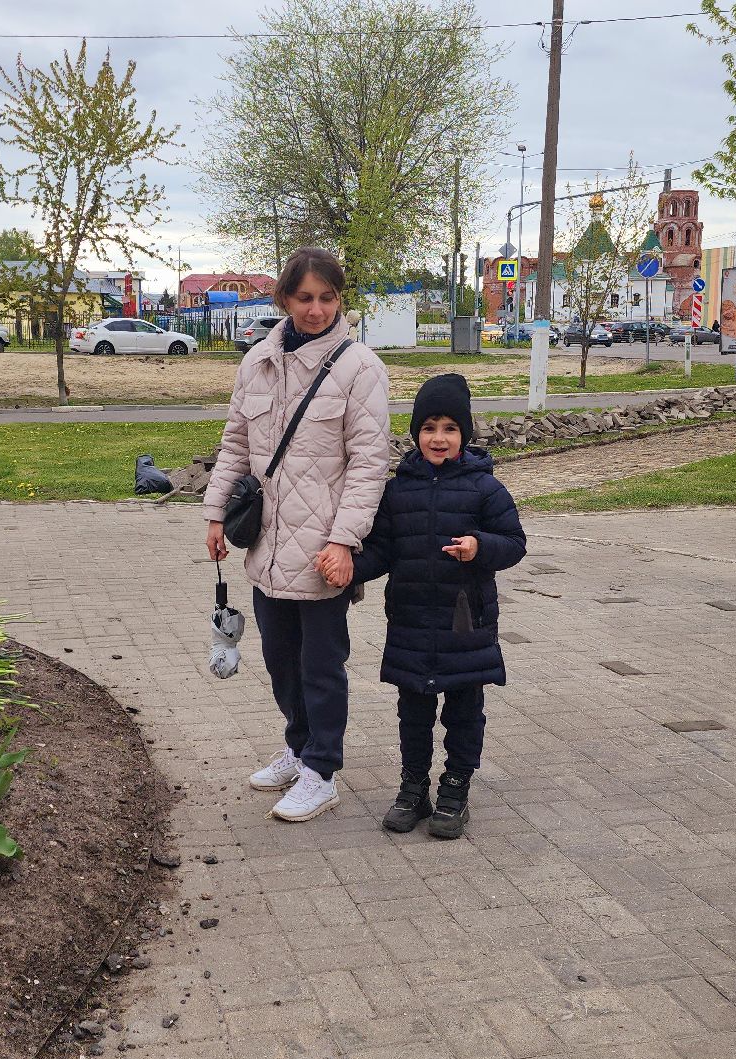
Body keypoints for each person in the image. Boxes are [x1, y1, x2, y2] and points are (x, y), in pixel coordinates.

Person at [203, 247, 392, 823]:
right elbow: (236, 444)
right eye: (305, 298)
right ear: (284, 299)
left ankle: (321, 771)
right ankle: (299, 745)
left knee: (321, 666)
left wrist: (344, 540)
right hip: (266, 544)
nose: (316, 309)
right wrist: (215, 515)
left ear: (340, 300)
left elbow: (369, 464)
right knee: (280, 659)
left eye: (327, 298)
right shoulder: (257, 362)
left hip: (322, 552)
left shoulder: (360, 368)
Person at [352, 374, 526, 840]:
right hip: (410, 620)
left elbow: (514, 543)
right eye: (429, 428)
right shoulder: (397, 490)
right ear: (416, 433)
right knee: (413, 712)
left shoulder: (485, 488)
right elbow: (382, 550)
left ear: (464, 434)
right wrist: (349, 569)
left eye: (450, 428)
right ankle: (413, 787)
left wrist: (479, 546)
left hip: (465, 622)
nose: (439, 438)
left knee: (464, 711)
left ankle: (455, 788)